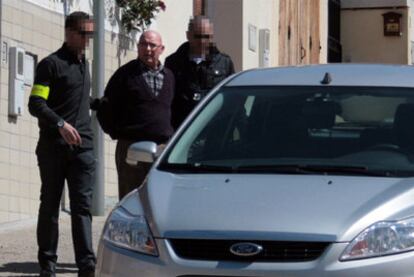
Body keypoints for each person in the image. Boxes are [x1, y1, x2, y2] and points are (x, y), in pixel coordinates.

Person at [28, 11, 96, 277]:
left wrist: (99, 104)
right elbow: (37, 104)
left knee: (82, 209)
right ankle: (48, 265)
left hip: (83, 149)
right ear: (68, 32)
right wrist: (60, 124)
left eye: (90, 33)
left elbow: (77, 101)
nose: (88, 38)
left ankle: (87, 265)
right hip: (53, 149)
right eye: (83, 33)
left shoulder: (84, 65)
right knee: (50, 205)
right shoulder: (51, 65)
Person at [103, 30, 174, 200]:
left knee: (159, 199)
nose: (147, 49)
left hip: (162, 149)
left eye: (152, 45)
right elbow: (105, 108)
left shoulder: (170, 77)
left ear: (161, 49)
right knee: (132, 199)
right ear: (138, 47)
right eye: (143, 44)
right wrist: (119, 133)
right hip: (131, 150)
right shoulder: (125, 75)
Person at [165, 15, 235, 129]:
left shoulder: (224, 63)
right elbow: (167, 101)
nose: (202, 41)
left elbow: (233, 100)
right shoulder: (173, 63)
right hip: (183, 132)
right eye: (198, 36)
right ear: (188, 35)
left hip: (214, 130)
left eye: (206, 36)